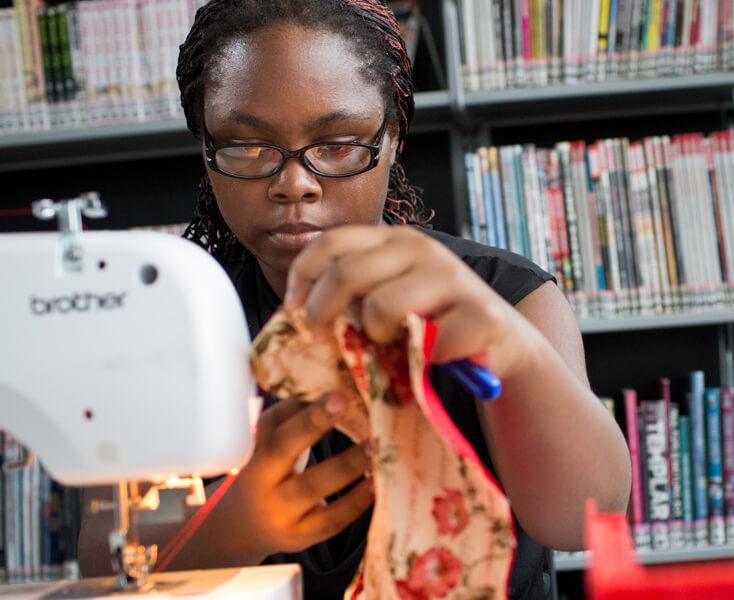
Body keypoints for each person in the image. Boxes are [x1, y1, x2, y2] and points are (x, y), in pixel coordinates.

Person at [78, 1, 630, 597]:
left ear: (391, 138)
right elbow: (103, 562)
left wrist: (509, 351)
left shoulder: (506, 297)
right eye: (246, 145)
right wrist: (236, 525)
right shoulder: (167, 323)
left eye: (338, 144)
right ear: (206, 149)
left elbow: (582, 519)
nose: (294, 184)